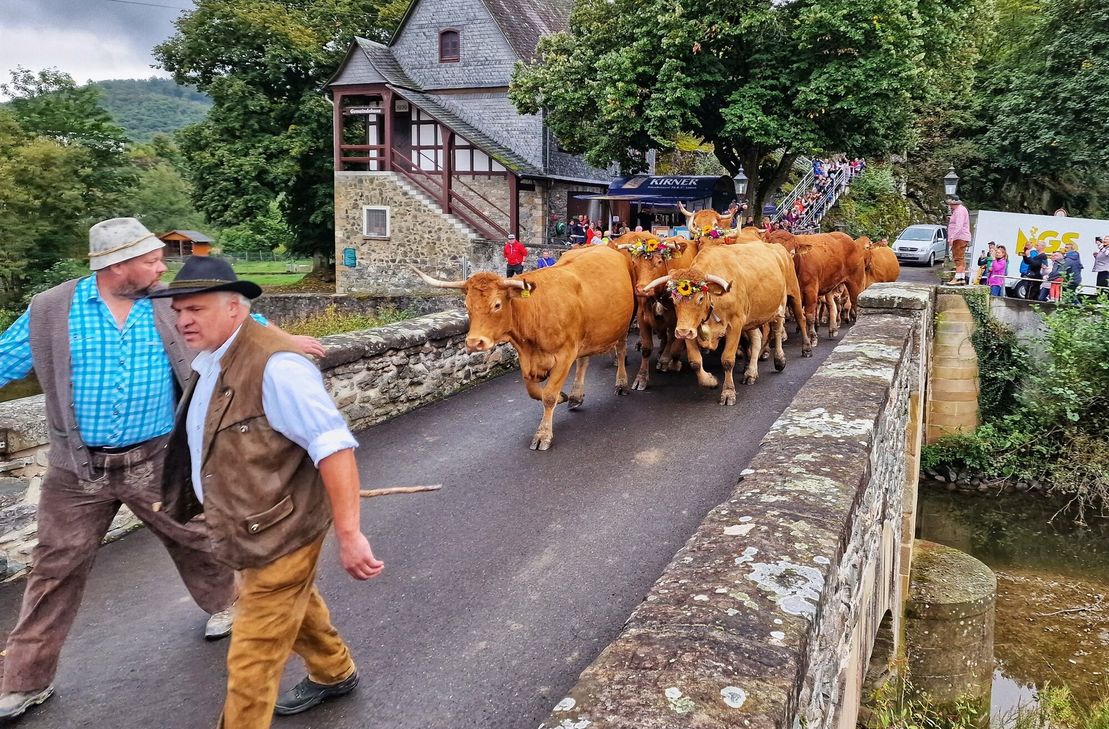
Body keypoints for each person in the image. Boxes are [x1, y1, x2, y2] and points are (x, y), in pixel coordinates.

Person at [0, 220, 241, 721]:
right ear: (116, 265)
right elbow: (4, 359)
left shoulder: (165, 303)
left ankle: (228, 603)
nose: (162, 266)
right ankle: (25, 681)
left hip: (154, 456)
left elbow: (231, 327)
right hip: (77, 469)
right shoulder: (51, 308)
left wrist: (284, 344)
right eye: (152, 259)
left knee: (195, 535)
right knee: (55, 568)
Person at [151, 257, 384, 728]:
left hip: (281, 528)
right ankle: (333, 671)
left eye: (195, 309)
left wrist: (350, 532)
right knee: (294, 604)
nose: (183, 321)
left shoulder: (277, 365)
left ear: (235, 308)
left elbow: (333, 447)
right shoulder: (216, 357)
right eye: (178, 311)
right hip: (250, 524)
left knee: (252, 657)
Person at [946, 196, 972, 284]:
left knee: (958, 258)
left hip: (959, 237)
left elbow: (959, 226)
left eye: (950, 204)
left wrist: (952, 237)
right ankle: (961, 278)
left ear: (953, 204)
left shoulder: (959, 211)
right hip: (962, 237)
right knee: (961, 258)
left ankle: (957, 278)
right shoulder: (960, 210)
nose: (950, 206)